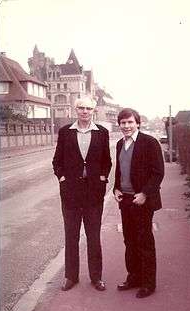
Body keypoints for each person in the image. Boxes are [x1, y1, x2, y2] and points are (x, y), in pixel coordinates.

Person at [52, 95, 112, 292]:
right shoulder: (65, 132)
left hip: (93, 193)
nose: (85, 111)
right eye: (81, 108)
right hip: (70, 194)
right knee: (71, 235)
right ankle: (71, 276)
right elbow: (57, 161)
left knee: (93, 236)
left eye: (88, 108)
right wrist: (62, 178)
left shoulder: (101, 133)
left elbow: (107, 161)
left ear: (93, 111)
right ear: (75, 110)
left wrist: (103, 178)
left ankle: (96, 277)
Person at [114, 108, 164, 298]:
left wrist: (144, 193)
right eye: (123, 123)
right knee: (129, 241)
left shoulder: (149, 142)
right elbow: (120, 171)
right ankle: (133, 277)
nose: (126, 126)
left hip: (142, 201)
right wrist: (116, 189)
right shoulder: (120, 144)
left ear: (137, 123)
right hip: (125, 200)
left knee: (144, 241)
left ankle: (148, 283)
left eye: (130, 122)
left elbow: (158, 172)